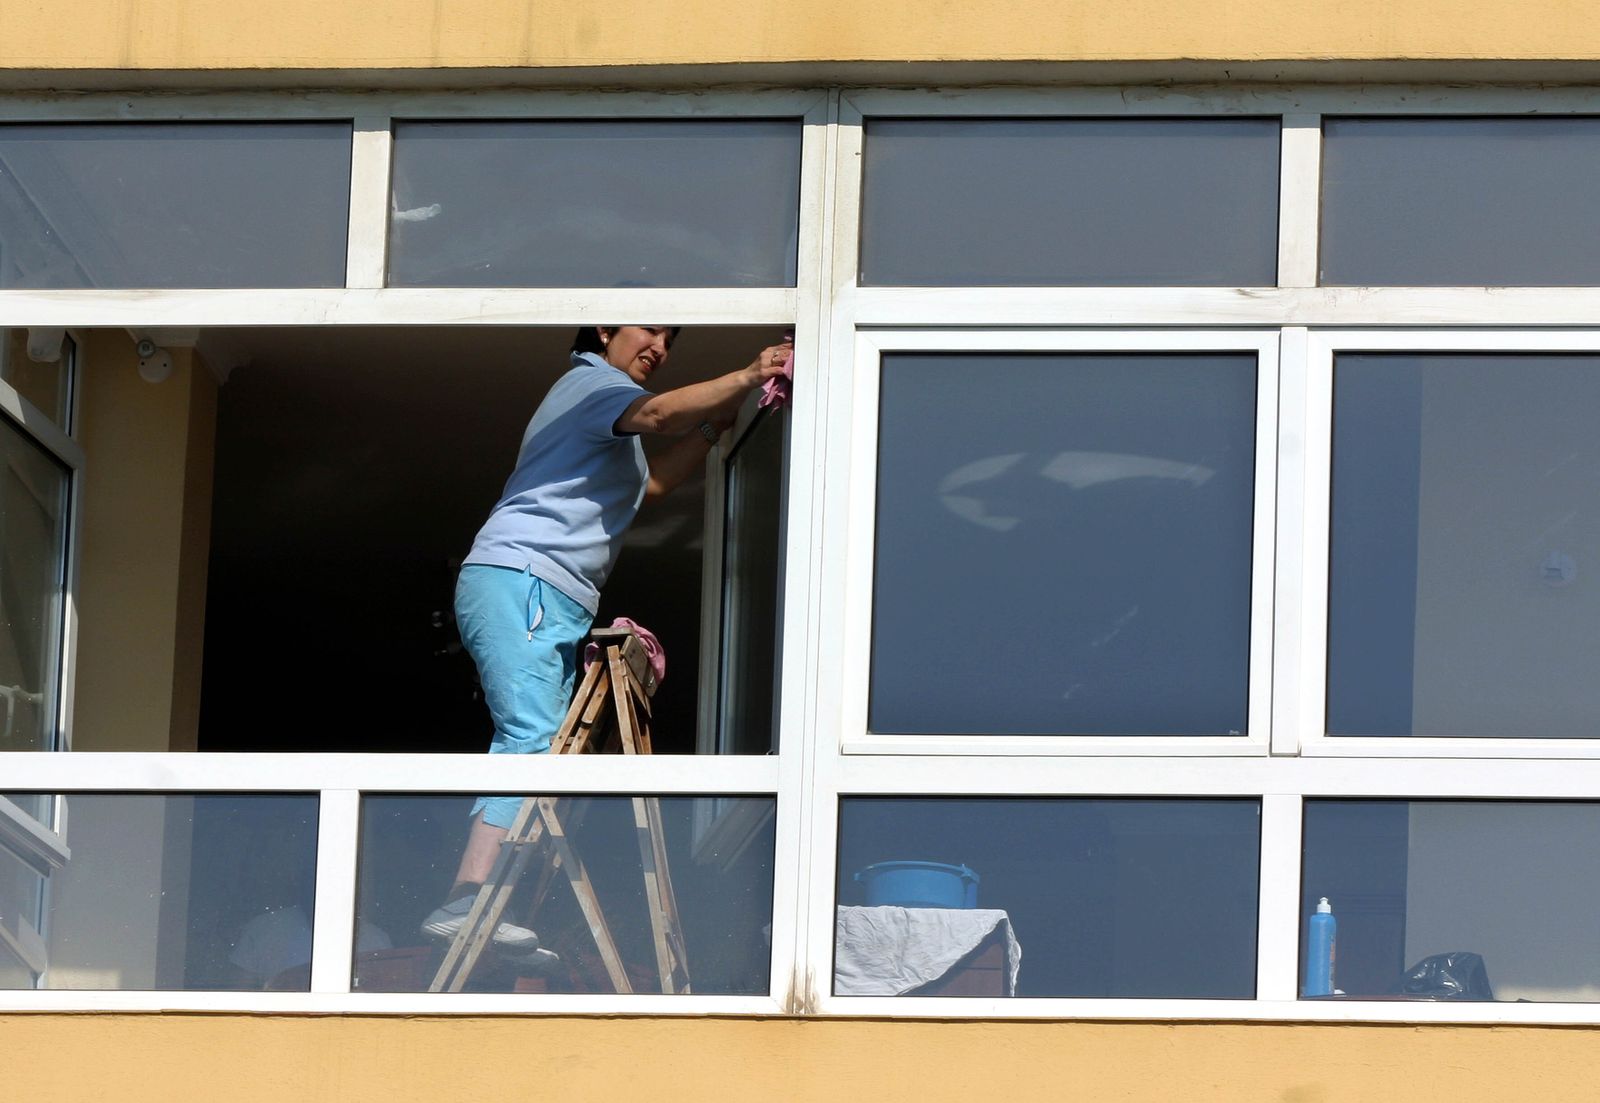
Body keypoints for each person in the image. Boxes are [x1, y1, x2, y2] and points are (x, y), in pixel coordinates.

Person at [422, 325, 793, 953]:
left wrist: (715, 428)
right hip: (527, 576)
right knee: (531, 736)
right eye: (649, 329)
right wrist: (749, 375)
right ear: (604, 328)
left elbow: (649, 487)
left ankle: (491, 911)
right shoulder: (596, 382)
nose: (660, 347)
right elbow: (656, 412)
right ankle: (467, 898)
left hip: (549, 591)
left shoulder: (602, 403)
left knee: (546, 744)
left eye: (670, 339)